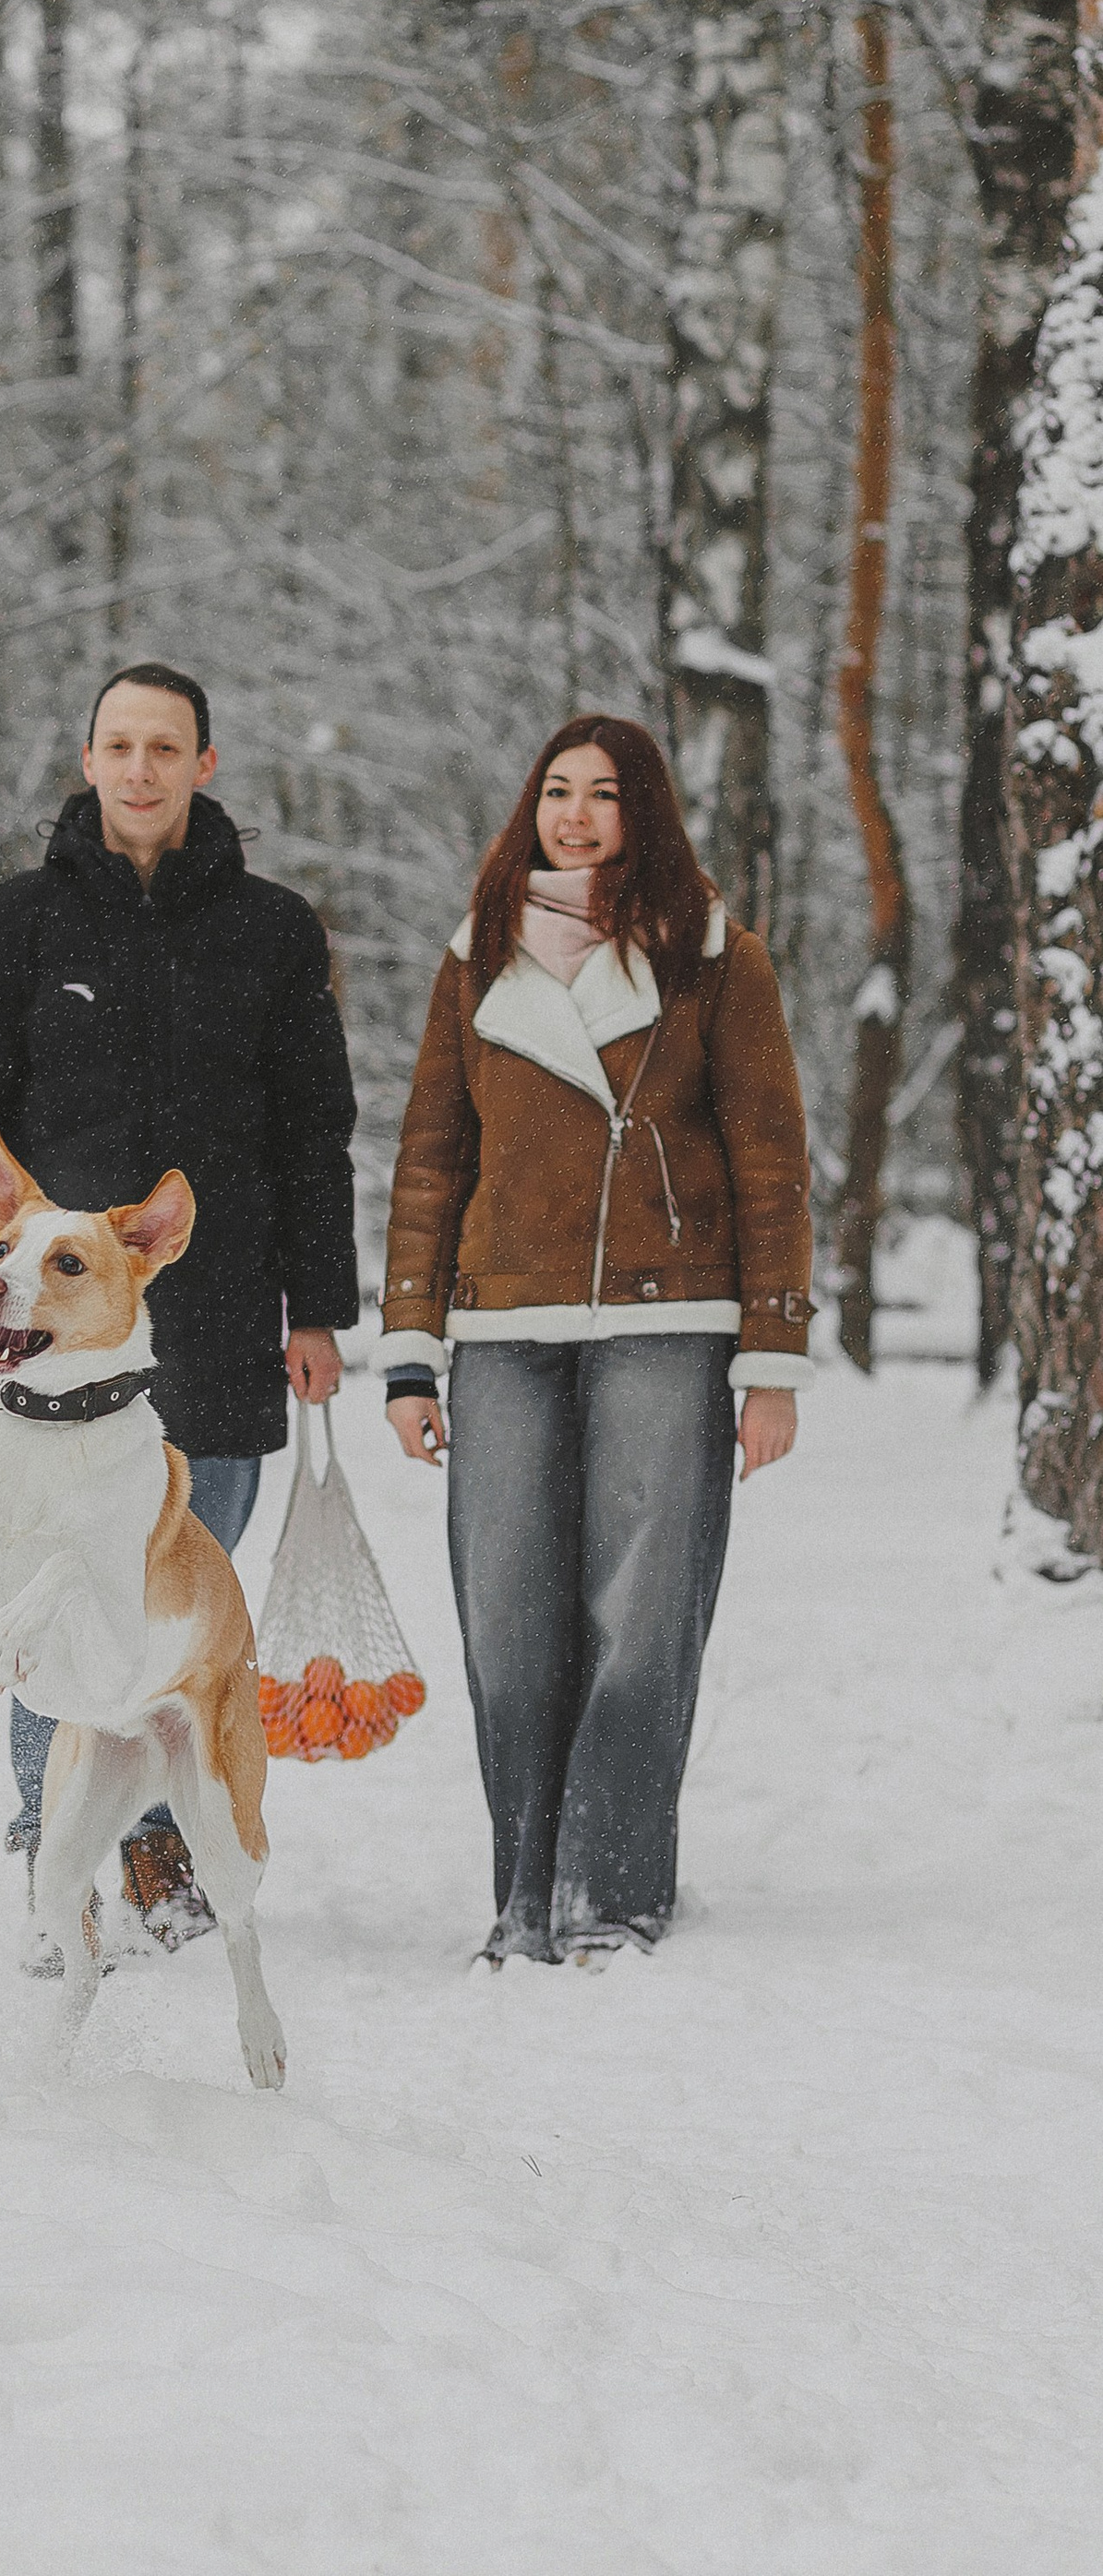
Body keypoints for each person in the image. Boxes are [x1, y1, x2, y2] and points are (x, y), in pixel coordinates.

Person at [0, 662, 361, 1945]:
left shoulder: (273, 932)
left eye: (167, 746)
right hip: (49, 1341)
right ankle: (48, 1857)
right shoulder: (18, 924)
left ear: (205, 764)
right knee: (48, 1591)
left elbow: (313, 1130)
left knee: (171, 1607)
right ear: (90, 756)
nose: (142, 768)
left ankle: (163, 1856)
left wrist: (317, 1311)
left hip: (216, 1330)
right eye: (120, 743)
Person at [378, 716, 812, 1966]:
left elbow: (772, 1165)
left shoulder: (717, 959)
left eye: (604, 795)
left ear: (645, 814)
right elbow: (429, 1161)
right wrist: (411, 1351)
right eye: (556, 792)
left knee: (641, 1611)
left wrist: (771, 1361)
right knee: (505, 1611)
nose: (574, 816)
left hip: (668, 1323)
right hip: (503, 1324)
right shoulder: (477, 958)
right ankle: (522, 1893)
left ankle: (611, 1893)